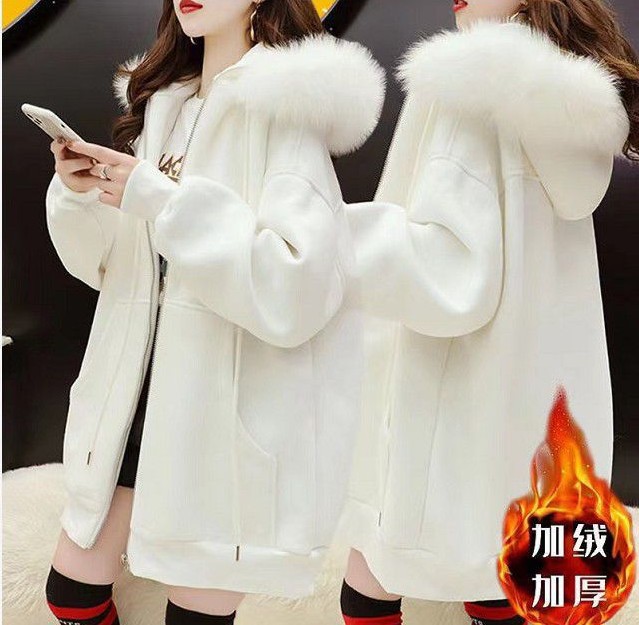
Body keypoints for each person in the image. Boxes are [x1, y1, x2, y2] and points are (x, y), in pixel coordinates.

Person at [43, 1, 385, 623]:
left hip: (217, 420)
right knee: (70, 596)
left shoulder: (283, 111)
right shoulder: (163, 108)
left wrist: (165, 203)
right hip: (129, 403)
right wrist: (80, 194)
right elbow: (109, 268)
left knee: (194, 613)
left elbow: (296, 285)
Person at [337, 1, 638, 625]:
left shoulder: (469, 83)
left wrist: (327, 233)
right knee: (502, 566)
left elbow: (448, 269)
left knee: (371, 572)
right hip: (532, 406)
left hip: (441, 386)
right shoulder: (571, 96)